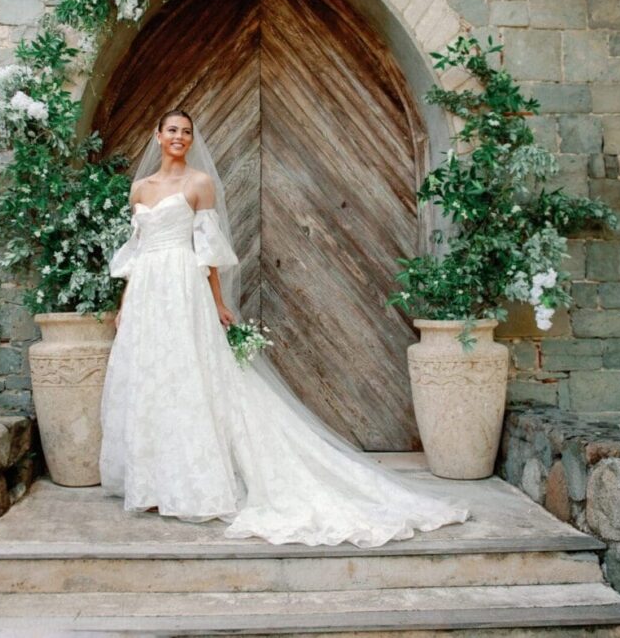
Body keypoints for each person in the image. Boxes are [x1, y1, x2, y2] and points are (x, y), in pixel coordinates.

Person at [100, 108, 470, 547]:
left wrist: (218, 303)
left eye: (186, 132)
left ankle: (193, 482)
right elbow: (138, 251)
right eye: (172, 131)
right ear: (157, 135)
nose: (179, 137)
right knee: (152, 379)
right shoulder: (139, 189)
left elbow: (209, 252)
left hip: (183, 287)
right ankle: (155, 482)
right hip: (147, 292)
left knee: (189, 377)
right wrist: (125, 304)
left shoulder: (198, 184)